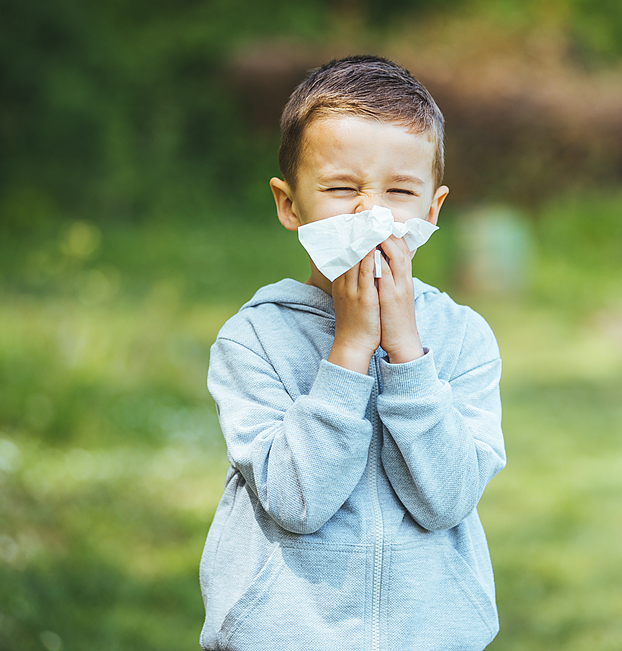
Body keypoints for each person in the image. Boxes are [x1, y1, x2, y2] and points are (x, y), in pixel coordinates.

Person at [199, 55, 506, 651]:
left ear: (432, 209)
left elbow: (447, 498)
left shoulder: (465, 338)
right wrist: (350, 348)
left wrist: (407, 355)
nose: (370, 212)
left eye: (399, 191)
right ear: (290, 205)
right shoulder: (253, 341)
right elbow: (296, 501)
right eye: (342, 189)